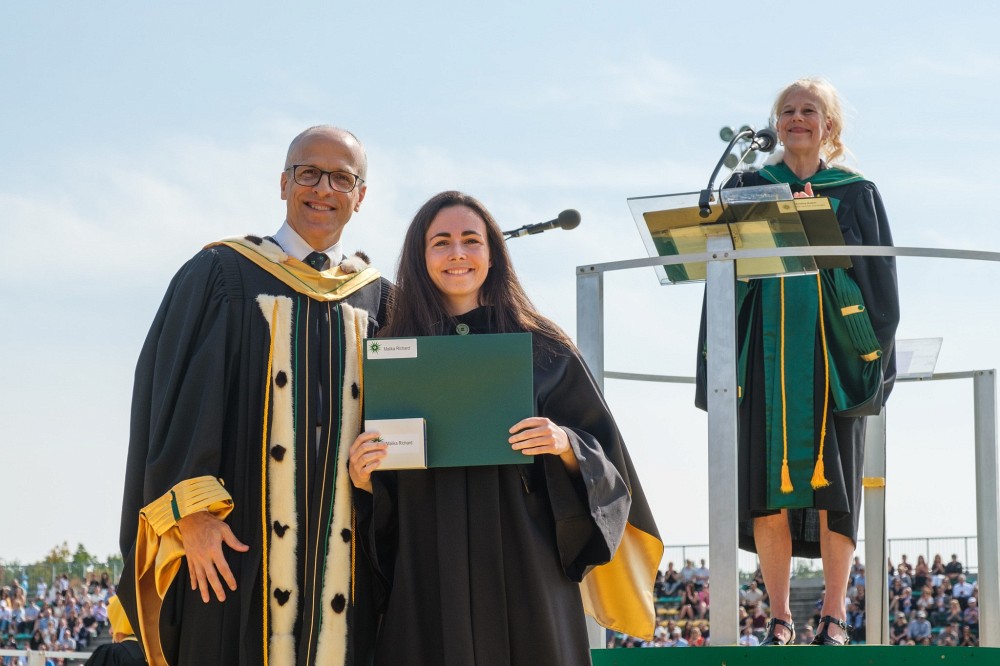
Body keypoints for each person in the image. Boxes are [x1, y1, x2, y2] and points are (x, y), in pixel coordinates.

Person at [115, 126, 391, 665]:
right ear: (283, 182)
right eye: (308, 173)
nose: (323, 188)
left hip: (349, 565)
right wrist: (191, 517)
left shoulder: (381, 298)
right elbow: (172, 400)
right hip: (235, 554)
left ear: (360, 196)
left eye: (342, 177)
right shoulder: (222, 275)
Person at [348, 191, 663, 664]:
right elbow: (384, 495)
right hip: (429, 567)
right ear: (420, 256)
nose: (458, 253)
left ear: (493, 254)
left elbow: (610, 464)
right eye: (441, 242)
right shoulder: (388, 351)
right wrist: (364, 480)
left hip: (526, 567)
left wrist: (566, 444)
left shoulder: (545, 348)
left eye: (471, 240)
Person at [696, 78, 899, 647]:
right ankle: (780, 617)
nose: (797, 118)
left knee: (838, 490)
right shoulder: (746, 185)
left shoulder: (856, 192)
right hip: (767, 354)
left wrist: (871, 357)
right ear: (775, 123)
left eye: (810, 110)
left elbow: (880, 285)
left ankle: (833, 615)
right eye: (787, 111)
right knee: (766, 486)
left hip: (832, 357)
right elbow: (720, 274)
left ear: (829, 125)